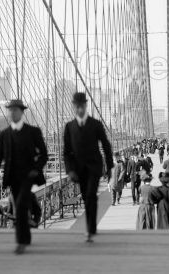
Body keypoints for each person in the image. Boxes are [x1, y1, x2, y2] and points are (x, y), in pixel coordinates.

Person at [0, 99, 47, 255]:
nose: (12, 112)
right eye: (10, 110)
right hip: (12, 178)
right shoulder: (5, 134)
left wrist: (36, 169)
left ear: (22, 112)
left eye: (15, 110)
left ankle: (20, 242)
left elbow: (44, 155)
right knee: (19, 209)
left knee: (20, 206)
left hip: (28, 177)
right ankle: (26, 236)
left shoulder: (33, 132)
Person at [63, 92, 113, 243]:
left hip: (94, 167)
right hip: (79, 170)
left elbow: (106, 145)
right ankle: (91, 228)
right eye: (77, 106)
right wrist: (70, 170)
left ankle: (90, 229)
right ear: (74, 107)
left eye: (82, 106)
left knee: (91, 195)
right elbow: (66, 152)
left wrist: (109, 167)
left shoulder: (96, 124)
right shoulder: (69, 127)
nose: (80, 109)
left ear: (86, 106)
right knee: (86, 197)